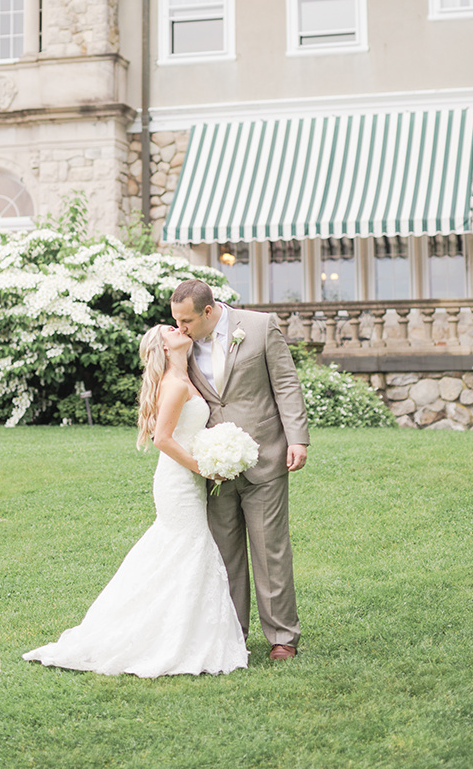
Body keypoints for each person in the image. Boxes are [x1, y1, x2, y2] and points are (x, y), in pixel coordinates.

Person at [22, 324, 248, 677]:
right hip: (178, 481)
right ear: (164, 345)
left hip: (187, 478)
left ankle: (183, 631)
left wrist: (214, 452)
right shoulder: (174, 385)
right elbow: (162, 438)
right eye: (170, 329)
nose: (178, 328)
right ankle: (161, 636)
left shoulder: (186, 378)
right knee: (187, 548)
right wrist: (205, 468)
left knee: (180, 551)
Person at [170, 279, 309, 661]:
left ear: (209, 312)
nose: (180, 328)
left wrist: (297, 438)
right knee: (224, 551)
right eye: (176, 320)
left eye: (187, 321)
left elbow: (286, 384)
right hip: (213, 464)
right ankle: (233, 634)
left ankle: (282, 636)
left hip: (265, 453)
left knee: (270, 549)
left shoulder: (261, 327)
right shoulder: (180, 342)